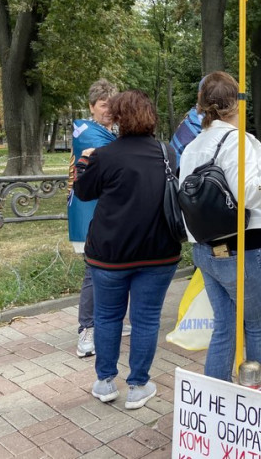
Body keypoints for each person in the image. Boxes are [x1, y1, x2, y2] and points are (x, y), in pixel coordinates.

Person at [179, 71, 261, 396]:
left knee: (224, 326)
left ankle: (213, 400)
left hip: (207, 249)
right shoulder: (241, 142)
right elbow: (249, 193)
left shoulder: (192, 146)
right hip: (246, 249)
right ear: (236, 102)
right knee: (259, 328)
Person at [73, 90, 181, 410]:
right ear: (151, 116)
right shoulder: (167, 153)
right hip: (159, 251)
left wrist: (83, 162)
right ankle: (138, 385)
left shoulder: (104, 155)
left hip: (110, 253)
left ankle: (105, 381)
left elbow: (83, 191)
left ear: (118, 117)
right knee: (146, 319)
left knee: (107, 317)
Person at [67, 79, 129, 359]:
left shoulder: (108, 134)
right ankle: (86, 330)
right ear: (92, 106)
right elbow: (117, 157)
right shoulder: (85, 131)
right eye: (104, 105)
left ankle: (110, 321)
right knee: (94, 271)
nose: (109, 110)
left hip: (107, 212)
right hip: (89, 213)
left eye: (112, 106)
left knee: (115, 268)